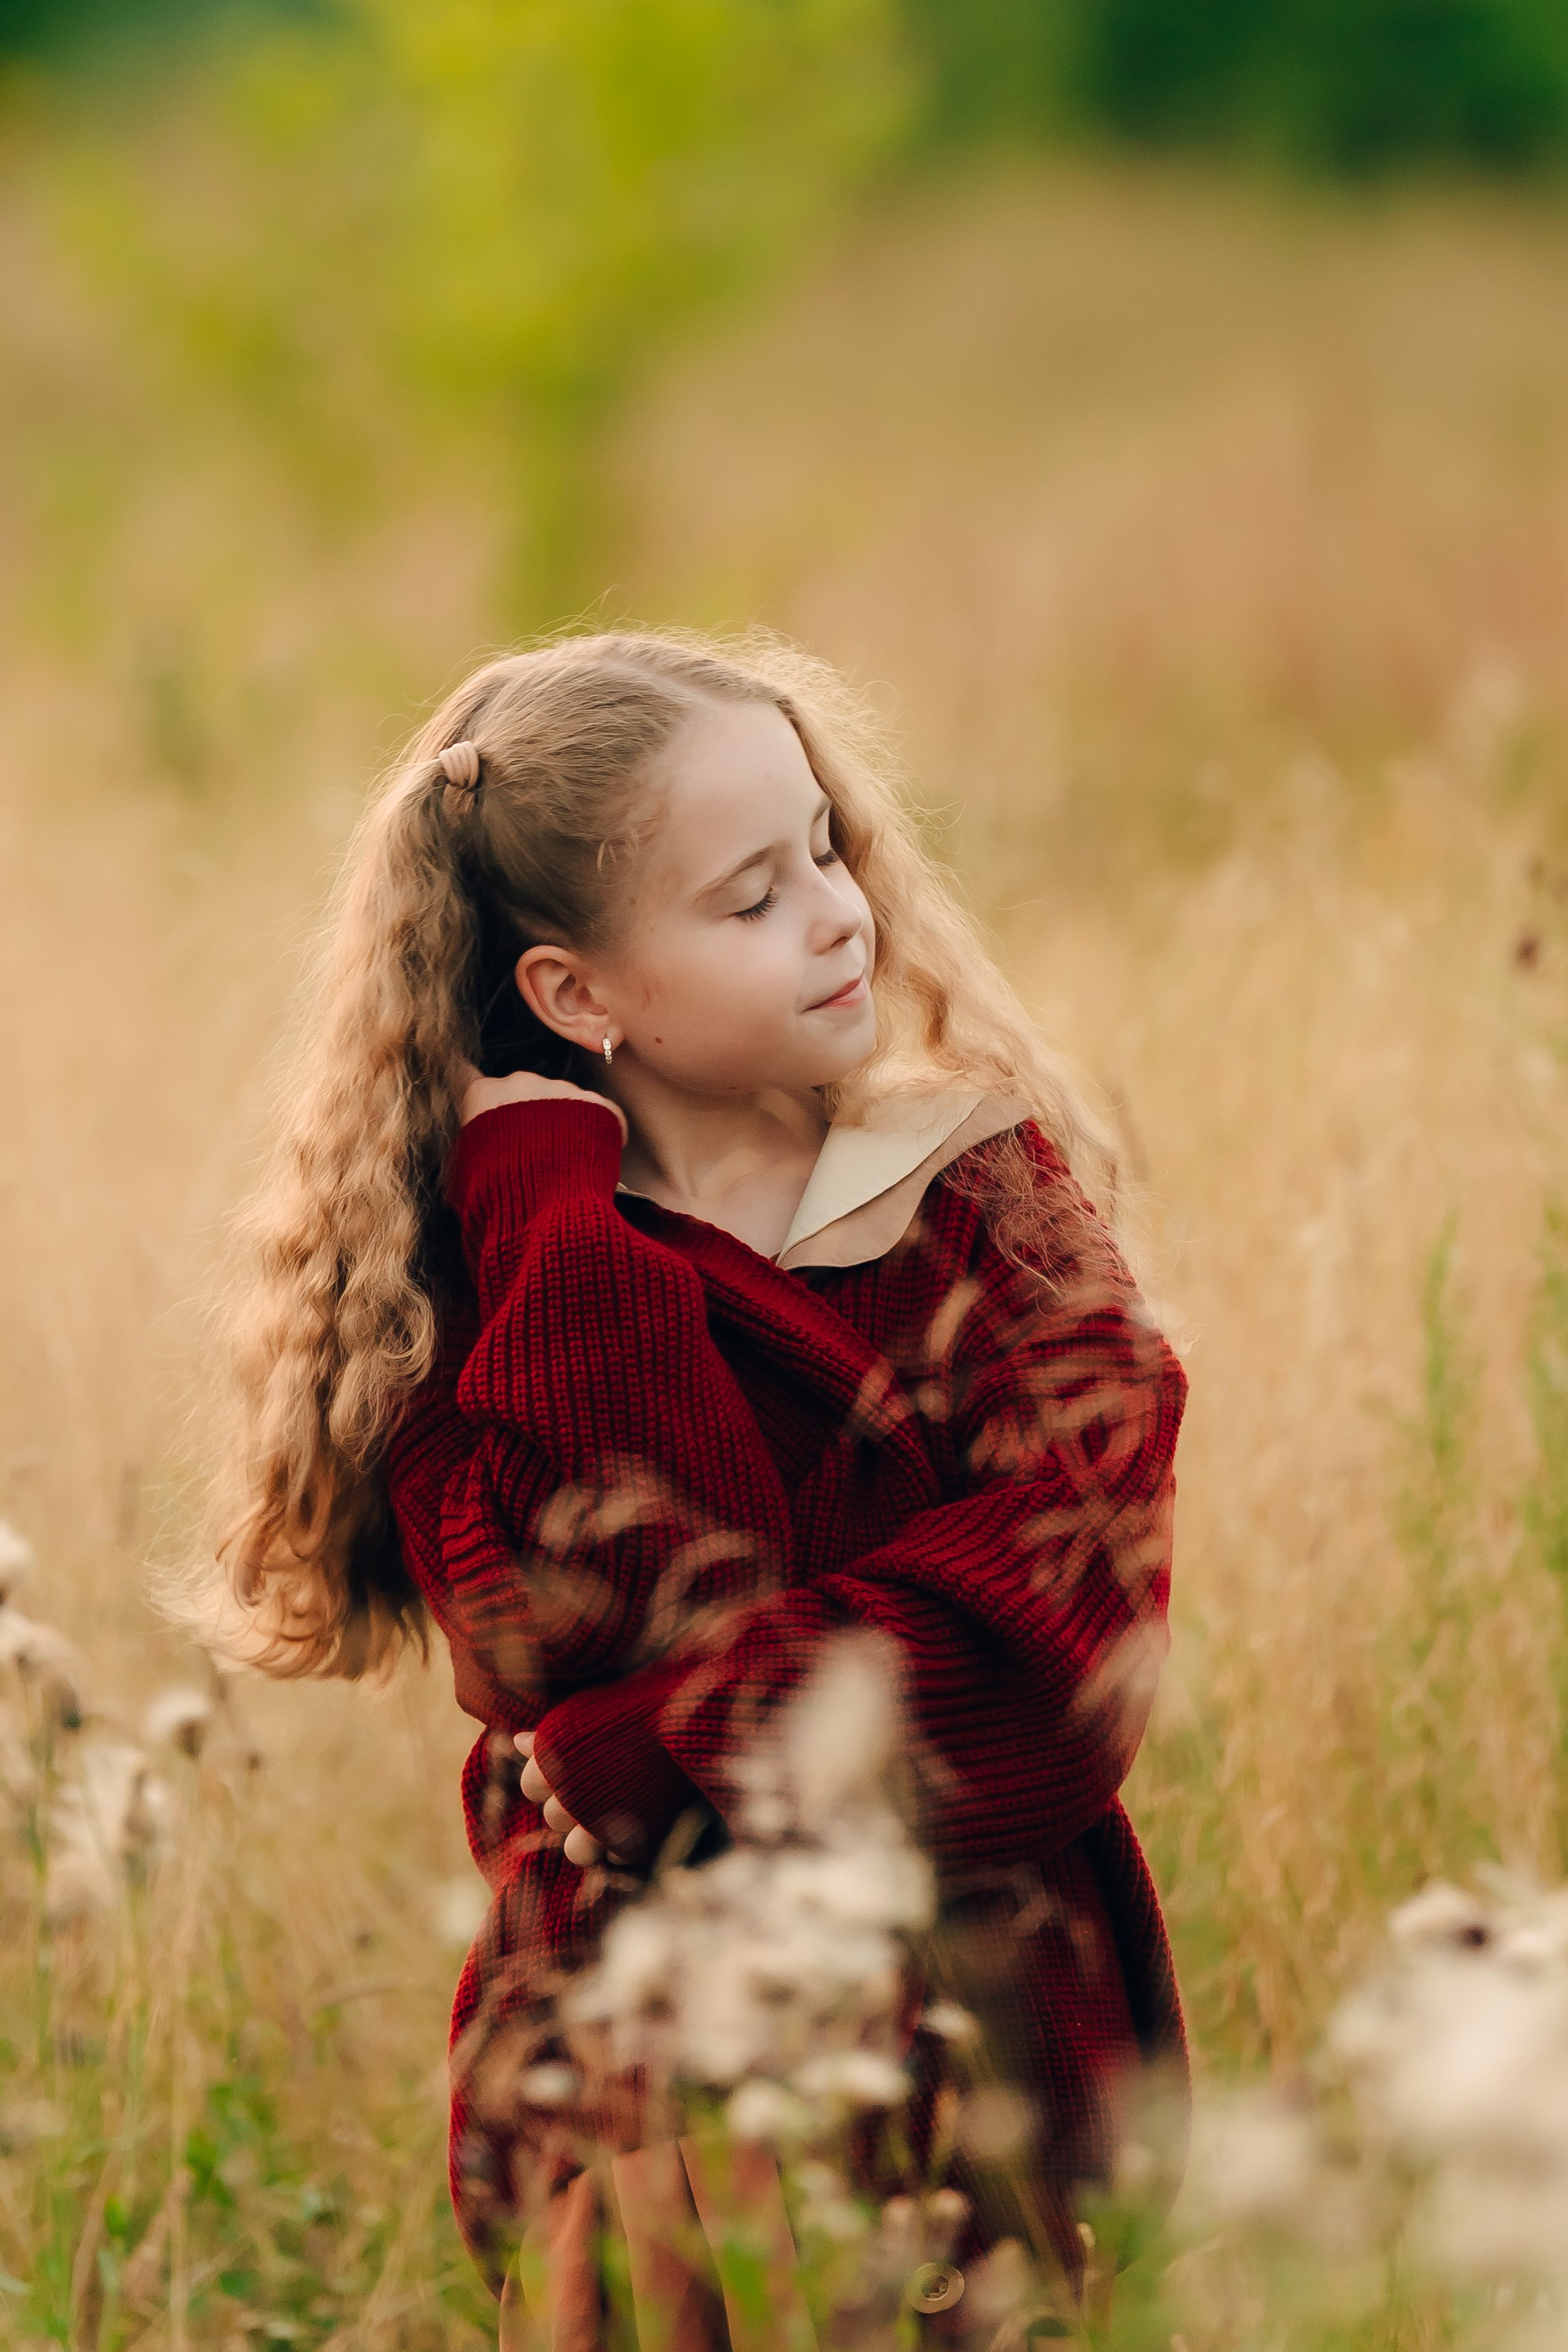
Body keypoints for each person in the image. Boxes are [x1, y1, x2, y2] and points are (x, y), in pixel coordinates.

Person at [200, 628, 1188, 2345]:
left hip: (999, 2031)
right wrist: (554, 1212)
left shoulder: (977, 1196)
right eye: (749, 898)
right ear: (579, 994)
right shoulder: (478, 1284)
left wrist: (652, 1749)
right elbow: (591, 1610)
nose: (835, 911)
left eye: (825, 846)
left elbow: (1064, 1628)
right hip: (653, 2066)